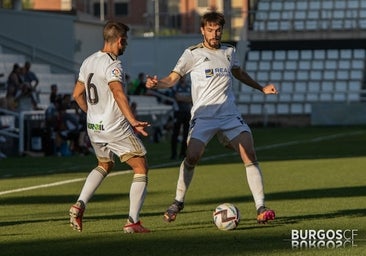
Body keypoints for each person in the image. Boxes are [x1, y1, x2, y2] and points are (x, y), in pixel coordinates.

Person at [146, 11, 278, 224]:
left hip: (229, 114)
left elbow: (239, 73)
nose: (215, 34)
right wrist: (157, 83)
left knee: (249, 152)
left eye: (218, 30)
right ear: (202, 30)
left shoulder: (229, 51)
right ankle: (178, 201)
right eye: (210, 30)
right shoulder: (192, 54)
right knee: (192, 156)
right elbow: (172, 78)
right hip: (204, 116)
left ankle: (261, 206)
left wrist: (261, 88)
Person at [69, 20, 151, 233]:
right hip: (114, 126)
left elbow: (76, 95)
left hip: (94, 127)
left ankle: (79, 204)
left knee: (105, 164)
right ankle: (132, 222)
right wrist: (132, 121)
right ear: (120, 40)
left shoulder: (88, 61)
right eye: (126, 42)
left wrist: (92, 114)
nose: (126, 46)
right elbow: (117, 92)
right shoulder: (113, 64)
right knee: (140, 166)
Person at [170, 76, 192, 160]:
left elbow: (191, 99)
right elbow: (177, 98)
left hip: (187, 112)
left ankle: (183, 153)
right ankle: (174, 153)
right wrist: (186, 99)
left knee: (186, 134)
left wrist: (184, 99)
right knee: (175, 133)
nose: (183, 78)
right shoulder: (176, 87)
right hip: (178, 112)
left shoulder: (189, 87)